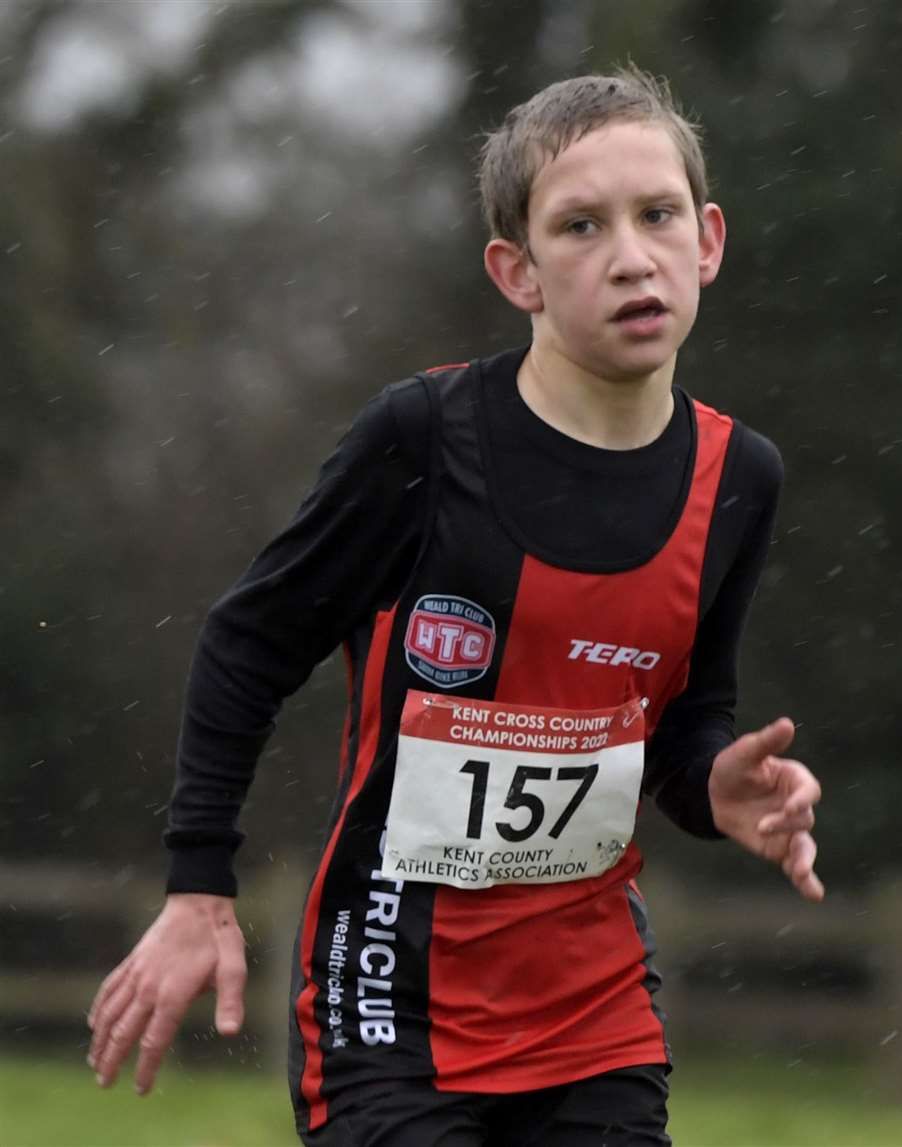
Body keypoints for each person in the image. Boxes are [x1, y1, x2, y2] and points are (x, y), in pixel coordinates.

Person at [87, 66, 823, 1146]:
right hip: (391, 999)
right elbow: (249, 643)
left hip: (593, 1010)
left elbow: (676, 723)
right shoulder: (423, 442)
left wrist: (717, 784)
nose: (630, 255)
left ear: (706, 240)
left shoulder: (739, 478)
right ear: (517, 270)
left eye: (656, 214)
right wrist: (200, 888)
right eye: (580, 226)